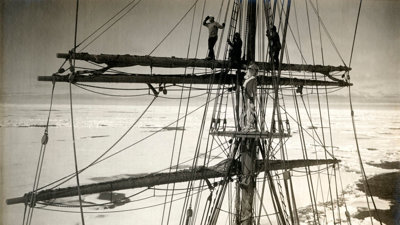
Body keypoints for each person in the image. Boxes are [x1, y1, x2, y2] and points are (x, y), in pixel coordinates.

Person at [242, 63, 258, 131]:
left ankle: (249, 125)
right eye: (249, 70)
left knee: (250, 110)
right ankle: (247, 125)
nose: (249, 71)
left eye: (251, 70)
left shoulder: (252, 79)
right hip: (247, 97)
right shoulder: (249, 79)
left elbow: (254, 90)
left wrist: (252, 96)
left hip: (249, 97)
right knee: (248, 110)